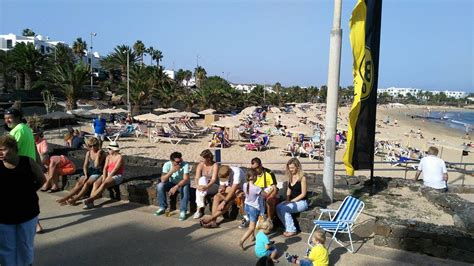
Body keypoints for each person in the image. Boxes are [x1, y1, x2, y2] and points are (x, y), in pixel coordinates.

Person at [0, 135, 45, 266]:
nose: (0, 153)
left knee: (25, 245)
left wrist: (28, 192)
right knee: (6, 248)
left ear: (13, 148)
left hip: (28, 213)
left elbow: (42, 179)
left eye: (3, 149)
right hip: (3, 216)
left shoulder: (28, 162)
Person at [56, 137, 106, 205]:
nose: (93, 148)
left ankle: (75, 198)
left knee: (87, 183)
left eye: (94, 145)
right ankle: (68, 197)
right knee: (79, 183)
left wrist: (97, 155)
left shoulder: (102, 153)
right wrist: (85, 174)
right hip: (90, 170)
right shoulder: (88, 153)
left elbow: (96, 165)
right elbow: (85, 165)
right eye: (90, 146)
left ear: (98, 145)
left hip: (98, 171)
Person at [83, 141, 124, 209]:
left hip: (117, 175)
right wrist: (104, 177)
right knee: (96, 183)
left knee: (104, 184)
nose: (108, 150)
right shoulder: (108, 156)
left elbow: (115, 169)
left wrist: (107, 179)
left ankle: (90, 200)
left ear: (114, 150)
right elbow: (105, 168)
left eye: (109, 149)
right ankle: (91, 202)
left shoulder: (119, 157)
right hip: (108, 173)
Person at [276, 158, 308, 237]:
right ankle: (288, 227)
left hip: (302, 202)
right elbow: (289, 189)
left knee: (284, 208)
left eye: (292, 168)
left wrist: (292, 201)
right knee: (278, 207)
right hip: (292, 201)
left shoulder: (302, 178)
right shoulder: (291, 176)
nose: (290, 170)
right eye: (289, 168)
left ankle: (292, 230)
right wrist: (287, 200)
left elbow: (303, 194)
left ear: (297, 167)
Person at [154, 152, 190, 221]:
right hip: (171, 183)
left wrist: (176, 187)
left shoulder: (185, 165)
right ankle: (162, 207)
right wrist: (171, 171)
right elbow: (163, 180)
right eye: (177, 162)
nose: (179, 163)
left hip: (182, 184)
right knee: (160, 185)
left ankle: (183, 211)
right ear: (172, 161)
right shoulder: (167, 165)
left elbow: (186, 179)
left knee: (185, 188)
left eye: (180, 161)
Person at [243, 158, 278, 228]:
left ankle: (269, 221)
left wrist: (271, 196)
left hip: (266, 192)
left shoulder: (269, 173)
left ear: (261, 165)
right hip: (256, 193)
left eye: (256, 168)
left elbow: (274, 188)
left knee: (270, 200)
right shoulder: (252, 174)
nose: (254, 170)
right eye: (252, 168)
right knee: (239, 196)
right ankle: (247, 218)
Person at [239, 168, 268, 250]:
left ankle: (252, 237)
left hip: (247, 206)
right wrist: (271, 189)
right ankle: (241, 241)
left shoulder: (245, 185)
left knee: (252, 222)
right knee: (252, 227)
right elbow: (265, 195)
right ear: (254, 177)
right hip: (254, 208)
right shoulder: (257, 188)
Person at [193, 149, 219, 219]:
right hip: (204, 188)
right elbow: (197, 178)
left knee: (203, 180)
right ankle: (200, 207)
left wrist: (207, 186)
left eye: (202, 159)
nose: (200, 160)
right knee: (202, 179)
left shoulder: (215, 165)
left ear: (208, 158)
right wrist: (198, 186)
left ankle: (199, 210)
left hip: (213, 186)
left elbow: (214, 179)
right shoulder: (200, 165)